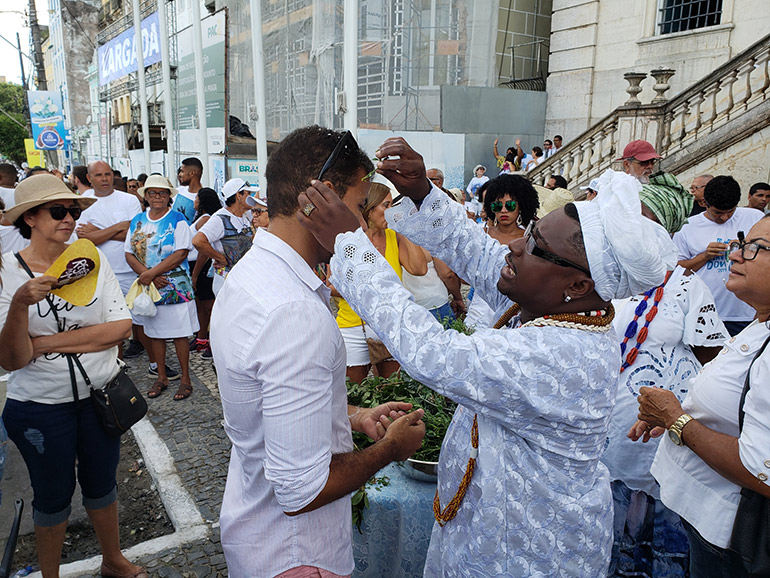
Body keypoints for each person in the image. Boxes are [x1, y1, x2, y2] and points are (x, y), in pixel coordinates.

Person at [297, 138, 679, 577]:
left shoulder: (567, 352)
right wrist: (422, 192)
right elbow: (477, 251)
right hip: (487, 526)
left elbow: (434, 353)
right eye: (530, 234)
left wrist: (349, 243)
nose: (516, 247)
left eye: (535, 248)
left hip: (528, 548)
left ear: (575, 286)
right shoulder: (554, 303)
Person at [209, 126, 425, 577]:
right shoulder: (292, 311)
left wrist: (349, 417)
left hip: (263, 537)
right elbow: (302, 490)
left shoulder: (254, 273)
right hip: (297, 555)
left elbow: (273, 409)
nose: (362, 224)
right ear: (322, 198)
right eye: (359, 204)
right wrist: (389, 448)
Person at [0, 174, 146, 578]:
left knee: (102, 485)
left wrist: (42, 345)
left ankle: (112, 560)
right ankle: (50, 575)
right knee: (52, 496)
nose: (70, 218)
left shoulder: (90, 263)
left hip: (99, 396)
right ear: (29, 218)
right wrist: (18, 305)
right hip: (40, 407)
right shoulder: (6, 273)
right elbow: (12, 359)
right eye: (58, 211)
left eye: (74, 210)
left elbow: (118, 328)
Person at [602, 172, 728, 578]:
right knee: (611, 519)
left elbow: (713, 355)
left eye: (642, 218)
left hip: (667, 426)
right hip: (612, 423)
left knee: (668, 521)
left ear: (664, 228)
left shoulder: (685, 283)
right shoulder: (603, 273)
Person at [632, 213, 770, 578]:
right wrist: (678, 416)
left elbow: (763, 471)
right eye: (742, 243)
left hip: (733, 539)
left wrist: (677, 421)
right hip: (705, 520)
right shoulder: (760, 323)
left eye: (757, 249)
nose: (736, 254)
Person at [335, 182, 427, 384]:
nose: (391, 210)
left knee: (391, 387)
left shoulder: (394, 237)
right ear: (369, 208)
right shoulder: (351, 241)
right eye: (386, 205)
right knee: (351, 392)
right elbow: (332, 286)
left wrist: (404, 229)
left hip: (389, 324)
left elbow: (419, 268)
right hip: (352, 326)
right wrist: (371, 291)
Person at [125, 175, 197, 401]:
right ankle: (162, 376)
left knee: (179, 335)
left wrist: (151, 274)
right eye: (153, 193)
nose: (157, 197)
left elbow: (181, 253)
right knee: (155, 334)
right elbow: (129, 253)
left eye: (162, 193)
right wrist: (149, 276)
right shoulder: (137, 220)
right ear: (145, 196)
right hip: (150, 285)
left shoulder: (178, 219)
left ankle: (185, 379)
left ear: (169, 197)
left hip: (174, 286)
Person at [673, 175, 763, 336]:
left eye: (731, 212)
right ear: (703, 203)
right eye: (717, 213)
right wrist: (705, 256)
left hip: (749, 313)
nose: (725, 218)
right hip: (706, 314)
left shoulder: (755, 218)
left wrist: (748, 248)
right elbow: (676, 272)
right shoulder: (687, 227)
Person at [192, 178, 255, 297]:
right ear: (238, 195)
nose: (251, 197)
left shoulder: (246, 216)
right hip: (226, 283)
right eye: (248, 193)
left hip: (243, 279)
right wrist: (221, 258)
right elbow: (198, 241)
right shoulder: (219, 219)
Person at [188, 187, 222, 357]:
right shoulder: (201, 218)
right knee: (200, 304)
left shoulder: (206, 219)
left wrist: (195, 274)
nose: (194, 201)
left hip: (201, 265)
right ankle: (202, 338)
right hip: (194, 264)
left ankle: (215, 342)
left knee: (210, 307)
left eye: (196, 198)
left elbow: (202, 249)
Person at [173, 157, 204, 224]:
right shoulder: (178, 191)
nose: (179, 175)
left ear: (191, 173)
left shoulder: (204, 197)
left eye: (182, 171)